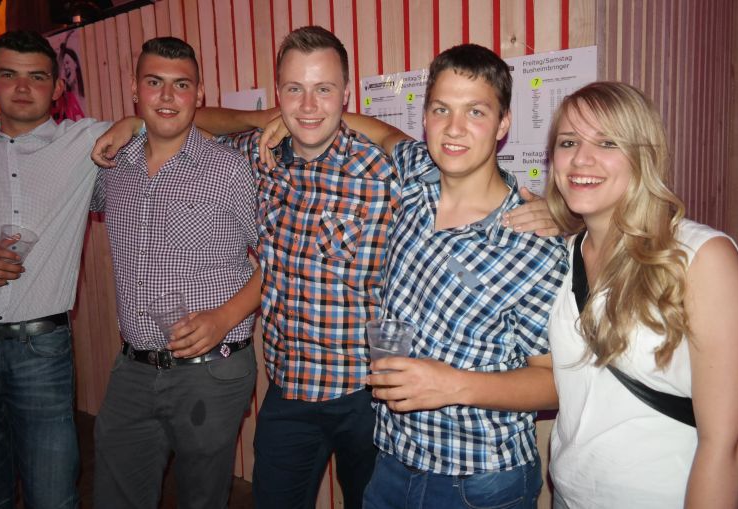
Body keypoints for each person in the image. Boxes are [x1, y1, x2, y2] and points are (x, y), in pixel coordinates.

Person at [92, 28, 556, 509]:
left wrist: (557, 213)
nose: (309, 105)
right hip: (289, 390)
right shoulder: (257, 155)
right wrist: (135, 123)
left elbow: (461, 171)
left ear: (346, 94)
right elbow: (186, 118)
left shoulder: (386, 172)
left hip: (366, 396)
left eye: (324, 89)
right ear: (278, 95)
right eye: (295, 89)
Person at [311, 44, 567, 508]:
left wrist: (452, 385)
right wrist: (285, 119)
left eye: (476, 112)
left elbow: (555, 382)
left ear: (503, 124)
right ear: (425, 117)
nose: (454, 128)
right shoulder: (415, 176)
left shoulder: (533, 243)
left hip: (478, 482)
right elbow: (381, 133)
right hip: (391, 459)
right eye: (441, 109)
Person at [545, 82, 738, 508]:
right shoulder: (559, 258)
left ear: (643, 155)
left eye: (607, 142)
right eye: (568, 142)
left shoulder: (701, 258)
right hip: (570, 496)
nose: (581, 159)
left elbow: (724, 443)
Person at [0, 30, 113, 508]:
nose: (22, 87)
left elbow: (170, 119)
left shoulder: (84, 141)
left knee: (53, 497)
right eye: (9, 75)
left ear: (57, 87)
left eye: (37, 77)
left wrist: (262, 118)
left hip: (39, 350)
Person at [90, 37, 260, 509]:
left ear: (199, 93)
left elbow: (279, 260)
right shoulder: (111, 166)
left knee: (202, 499)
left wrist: (224, 317)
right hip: (132, 369)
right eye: (154, 82)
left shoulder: (231, 170)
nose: (167, 96)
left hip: (212, 371)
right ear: (134, 89)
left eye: (181, 85)